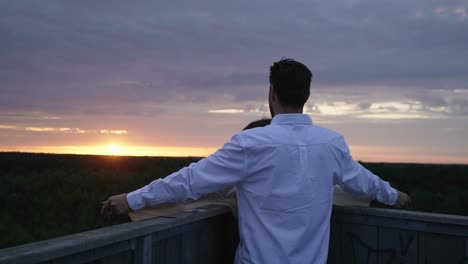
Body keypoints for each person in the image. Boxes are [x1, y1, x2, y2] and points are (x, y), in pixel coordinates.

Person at [102, 58, 410, 264]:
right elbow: (363, 181)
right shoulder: (331, 143)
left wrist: (131, 199)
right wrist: (393, 196)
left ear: (272, 92)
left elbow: (191, 181)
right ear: (307, 95)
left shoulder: (251, 143)